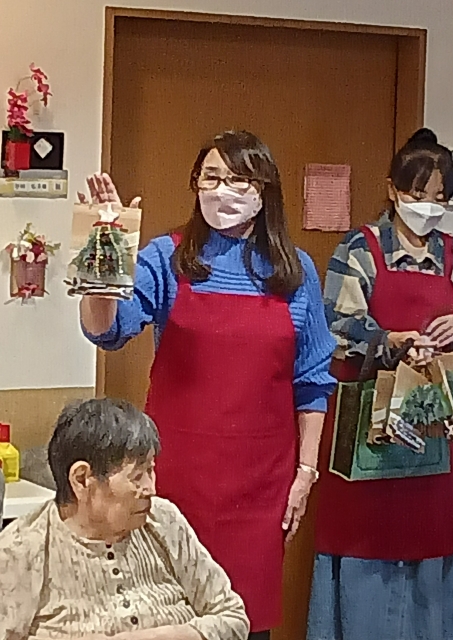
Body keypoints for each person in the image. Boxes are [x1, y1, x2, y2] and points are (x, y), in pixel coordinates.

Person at [80, 130, 336, 639]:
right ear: (195, 184)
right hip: (176, 476)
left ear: (265, 191)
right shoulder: (167, 257)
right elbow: (105, 330)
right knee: (171, 612)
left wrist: (305, 473)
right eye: (211, 177)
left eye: (239, 180)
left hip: (261, 483)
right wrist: (105, 253)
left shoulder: (295, 270)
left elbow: (312, 382)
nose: (223, 191)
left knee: (246, 618)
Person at [307, 128, 453, 640]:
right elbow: (334, 328)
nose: (427, 208)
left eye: (439, 199)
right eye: (417, 194)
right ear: (392, 189)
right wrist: (390, 341)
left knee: (428, 546)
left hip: (431, 439)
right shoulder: (359, 249)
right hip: (367, 435)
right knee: (363, 547)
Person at [0, 397, 249, 640]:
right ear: (82, 479)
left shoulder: (164, 520)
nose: (151, 488)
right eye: (137, 476)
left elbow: (233, 617)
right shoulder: (21, 550)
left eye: (151, 470)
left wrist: (165, 635)